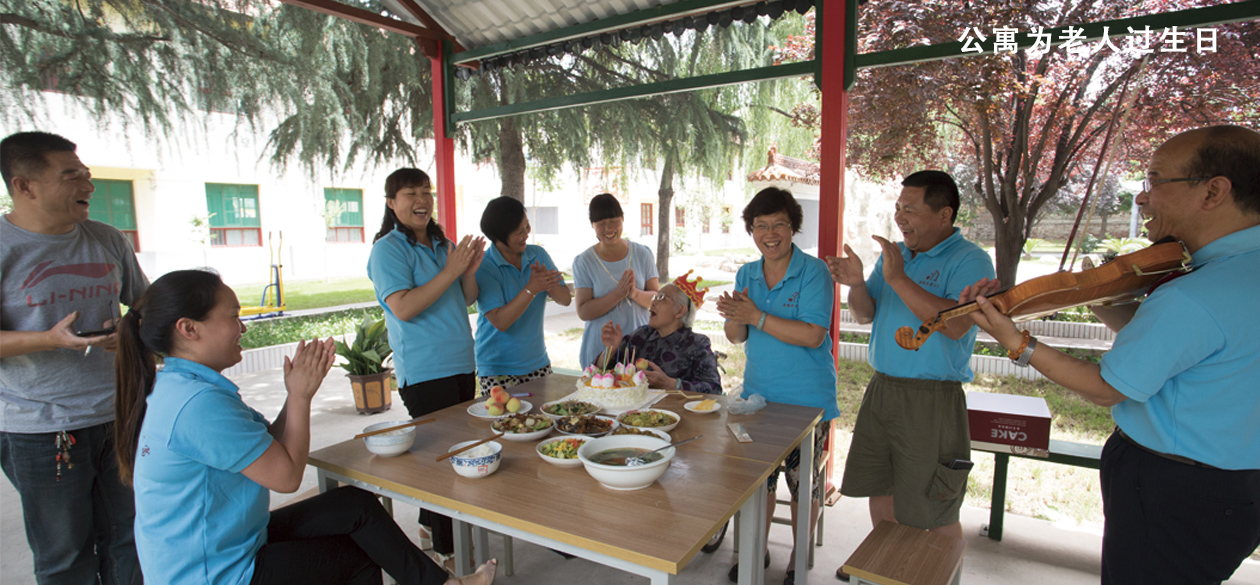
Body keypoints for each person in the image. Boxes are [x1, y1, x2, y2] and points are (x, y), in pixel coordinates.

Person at [959, 125, 1260, 584]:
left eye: (1156, 180)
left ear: (1213, 191)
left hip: (1175, 486)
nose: (1142, 198)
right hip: (1236, 484)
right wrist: (1107, 300)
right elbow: (1182, 353)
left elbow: (1108, 388)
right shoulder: (1239, 273)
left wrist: (1018, 342)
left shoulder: (1195, 294)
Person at [112, 269, 496, 585]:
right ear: (188, 328)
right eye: (232, 316)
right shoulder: (197, 404)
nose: (242, 328)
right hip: (215, 573)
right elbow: (285, 476)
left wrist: (295, 394)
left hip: (224, 545)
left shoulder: (185, 384)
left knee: (355, 506)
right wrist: (300, 398)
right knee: (357, 556)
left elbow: (268, 443)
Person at [825, 170, 994, 581]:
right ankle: (888, 571)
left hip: (931, 398)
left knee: (933, 506)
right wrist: (854, 284)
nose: (900, 217)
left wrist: (897, 277)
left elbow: (955, 326)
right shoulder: (898, 256)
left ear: (944, 214)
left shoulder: (970, 259)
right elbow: (866, 314)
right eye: (898, 208)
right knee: (881, 489)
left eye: (911, 209)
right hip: (883, 389)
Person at [0, 131, 147, 585]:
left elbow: (143, 305)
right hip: (42, 428)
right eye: (71, 176)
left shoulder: (106, 239)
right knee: (67, 556)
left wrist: (128, 329)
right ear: (24, 186)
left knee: (131, 538)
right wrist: (49, 339)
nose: (88, 185)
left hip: (118, 414)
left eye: (86, 174)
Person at [715, 187, 839, 585]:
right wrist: (735, 317)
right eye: (760, 226)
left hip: (807, 401)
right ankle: (756, 549)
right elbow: (736, 337)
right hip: (758, 398)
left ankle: (797, 562)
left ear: (793, 227)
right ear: (751, 230)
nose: (770, 233)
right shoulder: (747, 274)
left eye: (778, 224)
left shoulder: (814, 272)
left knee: (803, 484)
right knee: (758, 480)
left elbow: (813, 336)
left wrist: (756, 315)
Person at [366, 168, 484, 560]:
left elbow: (463, 299)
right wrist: (450, 270)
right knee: (445, 462)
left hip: (459, 363)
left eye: (426, 192)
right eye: (410, 193)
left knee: (450, 452)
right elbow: (403, 307)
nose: (421, 200)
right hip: (424, 369)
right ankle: (451, 557)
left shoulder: (442, 242)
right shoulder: (388, 249)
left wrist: (467, 272)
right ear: (391, 203)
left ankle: (430, 528)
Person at [473, 196, 571, 390]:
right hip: (497, 369)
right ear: (500, 236)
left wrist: (547, 283)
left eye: (527, 226)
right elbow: (501, 322)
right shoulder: (485, 266)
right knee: (506, 421)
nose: (526, 234)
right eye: (519, 231)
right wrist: (531, 288)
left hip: (537, 363)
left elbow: (565, 299)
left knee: (543, 420)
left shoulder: (537, 255)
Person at [596, 270, 721, 396]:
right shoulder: (642, 335)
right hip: (632, 411)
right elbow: (599, 373)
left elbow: (714, 389)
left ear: (680, 311)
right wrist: (611, 350)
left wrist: (671, 384)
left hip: (675, 413)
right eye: (655, 297)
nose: (653, 302)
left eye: (661, 297)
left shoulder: (696, 344)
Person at [573, 193, 659, 367]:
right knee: (602, 392)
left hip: (640, 348)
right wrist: (618, 294)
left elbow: (658, 300)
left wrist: (634, 293)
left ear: (622, 219)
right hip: (601, 351)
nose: (608, 228)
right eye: (601, 224)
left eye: (613, 221)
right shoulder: (584, 261)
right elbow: (583, 311)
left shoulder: (643, 254)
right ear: (592, 225)